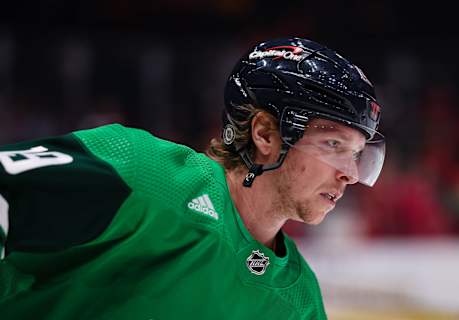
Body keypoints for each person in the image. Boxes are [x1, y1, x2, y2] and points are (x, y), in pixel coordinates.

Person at [0, 37, 385, 319]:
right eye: (333, 144)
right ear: (265, 134)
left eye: (356, 154)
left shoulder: (299, 303)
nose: (349, 174)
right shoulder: (143, 173)